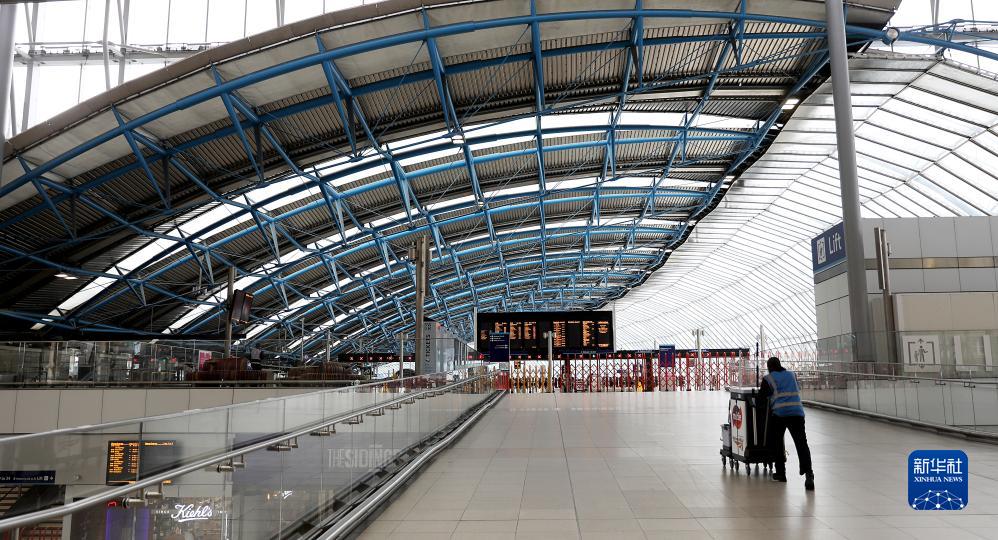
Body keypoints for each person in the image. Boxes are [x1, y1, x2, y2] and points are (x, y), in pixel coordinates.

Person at [759, 357, 814, 490]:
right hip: (797, 412)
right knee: (801, 444)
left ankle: (781, 473)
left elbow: (761, 398)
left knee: (777, 442)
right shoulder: (792, 374)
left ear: (769, 367)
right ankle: (809, 475)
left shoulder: (768, 378)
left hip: (780, 414)